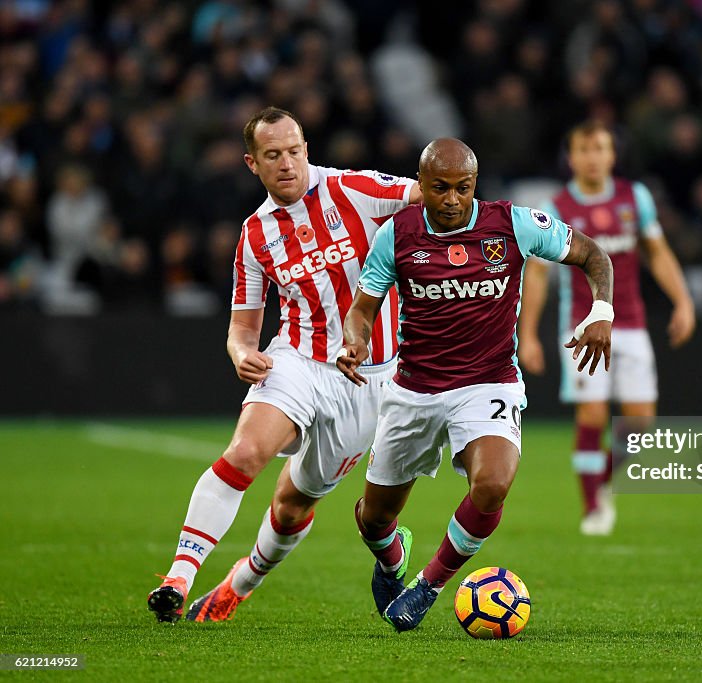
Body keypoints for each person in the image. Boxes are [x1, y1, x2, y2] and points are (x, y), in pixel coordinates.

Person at [146, 106, 422, 622]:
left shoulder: (354, 188)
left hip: (371, 378)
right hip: (296, 359)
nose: (287, 163)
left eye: (294, 151)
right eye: (273, 155)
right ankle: (178, 578)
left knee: (294, 504)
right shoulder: (254, 235)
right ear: (253, 164)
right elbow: (243, 329)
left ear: (306, 149)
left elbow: (435, 194)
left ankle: (241, 580)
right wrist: (240, 354)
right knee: (246, 452)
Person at [336, 138, 614, 631]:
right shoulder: (396, 235)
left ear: (475, 185)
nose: (450, 199)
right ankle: (391, 559)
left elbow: (593, 254)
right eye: (439, 188)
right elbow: (363, 309)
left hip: (489, 382)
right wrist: (353, 342)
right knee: (373, 518)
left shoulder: (512, 224)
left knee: (493, 485)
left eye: (462, 189)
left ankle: (428, 586)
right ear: (420, 185)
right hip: (414, 390)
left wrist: (602, 311)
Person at [517, 119, 695, 535]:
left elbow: (658, 252)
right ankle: (592, 507)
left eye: (600, 148)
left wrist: (683, 301)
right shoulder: (558, 207)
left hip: (630, 322)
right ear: (572, 156)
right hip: (580, 325)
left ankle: (604, 485)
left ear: (612, 155)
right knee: (593, 415)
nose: (593, 157)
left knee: (640, 426)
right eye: (584, 149)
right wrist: (527, 334)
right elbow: (539, 274)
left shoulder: (635, 197)